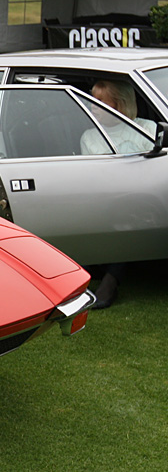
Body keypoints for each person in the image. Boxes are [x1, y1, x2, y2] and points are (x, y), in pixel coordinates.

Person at [79, 79, 158, 310]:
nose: (92, 105)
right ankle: (108, 277)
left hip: (147, 197)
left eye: (100, 101)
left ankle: (110, 281)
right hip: (107, 201)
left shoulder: (149, 128)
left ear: (119, 105)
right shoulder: (88, 136)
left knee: (130, 213)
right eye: (92, 99)